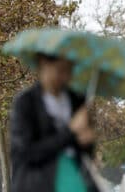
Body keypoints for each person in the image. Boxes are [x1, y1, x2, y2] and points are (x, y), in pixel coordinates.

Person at [10, 54, 98, 192]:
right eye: (60, 70)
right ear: (43, 64)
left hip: (74, 177)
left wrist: (88, 142)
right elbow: (26, 153)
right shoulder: (26, 102)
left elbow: (85, 152)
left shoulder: (77, 100)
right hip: (37, 182)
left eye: (69, 71)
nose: (65, 77)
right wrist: (70, 131)